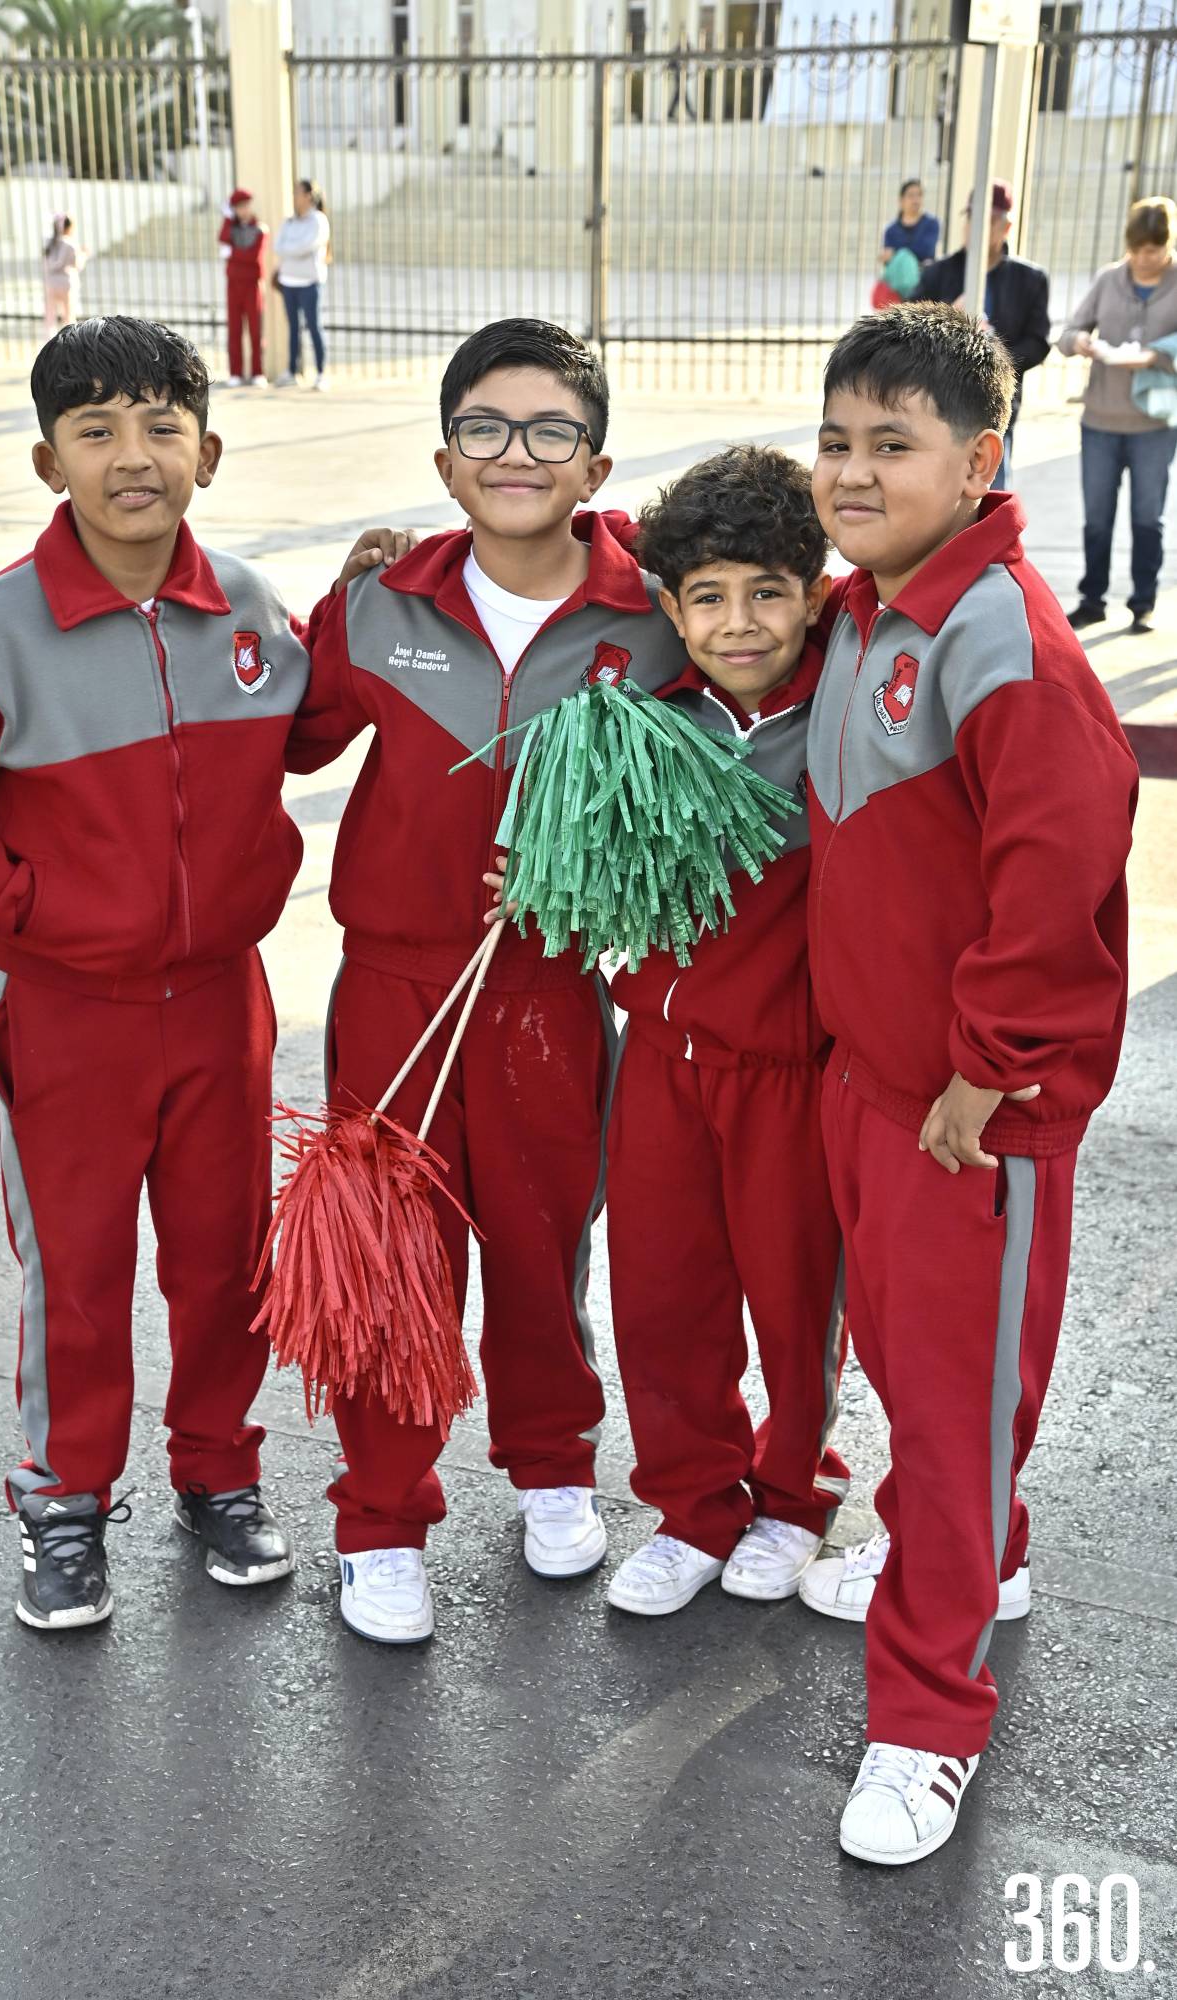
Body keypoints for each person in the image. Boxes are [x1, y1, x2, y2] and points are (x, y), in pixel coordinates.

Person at [0, 315, 310, 1631]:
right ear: (48, 460)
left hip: (222, 1002)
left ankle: (218, 1476)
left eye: (162, 426)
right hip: (68, 1013)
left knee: (226, 1260)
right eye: (97, 430)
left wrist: (395, 585)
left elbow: (320, 718)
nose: (134, 456)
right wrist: (28, 910)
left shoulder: (250, 609)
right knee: (81, 1264)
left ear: (207, 451)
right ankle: (63, 1501)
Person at [287, 318, 689, 1646]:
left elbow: (732, 759)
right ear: (447, 462)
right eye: (485, 430)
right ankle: (381, 1519)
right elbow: (280, 738)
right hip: (395, 990)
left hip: (548, 996)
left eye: (549, 432)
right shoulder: (382, 604)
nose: (515, 454)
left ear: (593, 463)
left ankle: (554, 1466)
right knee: (390, 1250)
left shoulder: (655, 613)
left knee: (538, 1238)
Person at [800, 302, 1137, 1866]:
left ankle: (926, 1720)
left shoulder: (998, 636)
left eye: (892, 446)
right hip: (869, 1087)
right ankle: (981, 1559)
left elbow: (1057, 867)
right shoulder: (865, 607)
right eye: (837, 443)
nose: (853, 474)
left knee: (937, 1419)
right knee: (920, 1376)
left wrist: (982, 1078)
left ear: (979, 458)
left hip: (961, 1112)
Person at [602, 446, 850, 1620]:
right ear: (669, 605)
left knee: (793, 1294)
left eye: (766, 592)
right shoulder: (653, 714)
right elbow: (579, 535)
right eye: (706, 597)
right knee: (659, 1294)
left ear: (812, 589)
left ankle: (794, 1493)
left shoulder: (846, 696)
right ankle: (692, 1502)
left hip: (788, 1071)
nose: (737, 623)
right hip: (658, 1059)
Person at [1059, 193, 1177, 633]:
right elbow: (1069, 332)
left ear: (1167, 245)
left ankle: (1142, 601)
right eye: (1136, 250)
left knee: (1148, 516)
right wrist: (1081, 343)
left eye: (1153, 250)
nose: (1144, 259)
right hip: (1101, 421)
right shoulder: (1110, 279)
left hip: (1154, 424)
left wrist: (1156, 356)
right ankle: (1092, 598)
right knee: (1098, 515)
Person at [916, 180, 1050, 490]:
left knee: (990, 492)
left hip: (995, 406)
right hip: (939, 404)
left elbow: (1038, 342)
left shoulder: (1029, 279)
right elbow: (909, 329)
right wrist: (947, 315)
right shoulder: (939, 273)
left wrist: (994, 357)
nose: (977, 229)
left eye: (987, 221)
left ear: (1006, 226)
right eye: (972, 220)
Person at [274, 179, 331, 391]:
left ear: (308, 196)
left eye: (297, 192)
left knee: (314, 326)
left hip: (310, 283)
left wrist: (292, 249)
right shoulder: (289, 222)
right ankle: (292, 371)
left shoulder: (318, 220)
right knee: (293, 328)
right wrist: (293, 249)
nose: (294, 196)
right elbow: (278, 247)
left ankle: (321, 373)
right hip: (289, 282)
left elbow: (308, 246)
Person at [219, 187, 268, 387]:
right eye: (238, 207)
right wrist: (228, 218)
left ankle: (258, 372)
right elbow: (222, 237)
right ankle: (236, 372)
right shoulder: (231, 229)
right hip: (234, 285)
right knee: (235, 329)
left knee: (256, 330)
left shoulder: (260, 229)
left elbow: (254, 258)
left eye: (245, 206)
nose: (243, 210)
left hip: (252, 285)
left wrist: (232, 253)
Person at [877, 180, 940, 298]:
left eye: (919, 195)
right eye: (911, 195)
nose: (916, 200)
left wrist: (896, 252)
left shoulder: (931, 224)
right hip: (898, 284)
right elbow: (888, 261)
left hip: (923, 281)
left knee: (904, 255)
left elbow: (926, 251)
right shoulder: (891, 230)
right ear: (901, 201)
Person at [43, 213, 89, 335]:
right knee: (68, 316)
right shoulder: (71, 244)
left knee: (50, 317)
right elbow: (77, 265)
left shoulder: (48, 242)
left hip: (51, 283)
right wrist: (84, 254)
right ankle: (70, 341)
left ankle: (49, 342)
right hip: (66, 283)